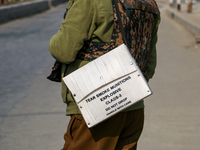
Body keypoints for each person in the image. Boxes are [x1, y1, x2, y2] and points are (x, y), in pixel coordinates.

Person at [49, 0, 160, 149]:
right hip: (133, 105)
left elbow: (63, 51)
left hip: (98, 105)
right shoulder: (148, 3)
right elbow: (150, 63)